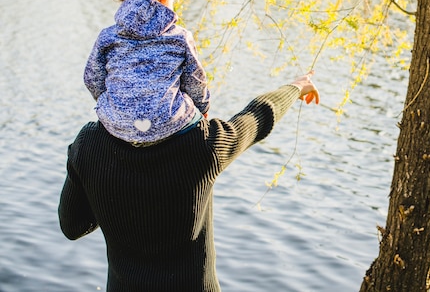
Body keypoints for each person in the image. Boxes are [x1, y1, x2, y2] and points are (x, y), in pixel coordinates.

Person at [59, 71, 320, 292]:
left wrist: (85, 170)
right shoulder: (204, 144)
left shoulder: (89, 143)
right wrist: (296, 87)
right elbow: (257, 117)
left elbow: (74, 227)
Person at [83, 0, 210, 147]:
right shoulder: (180, 36)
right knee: (199, 127)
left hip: (118, 124)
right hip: (170, 121)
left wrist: (112, 102)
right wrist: (203, 109)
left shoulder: (108, 36)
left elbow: (92, 78)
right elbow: (195, 81)